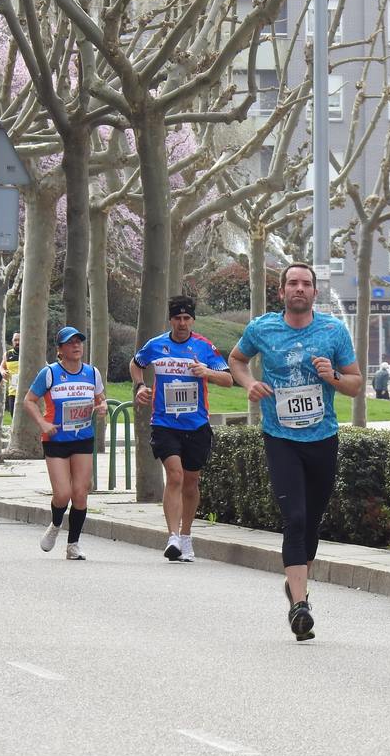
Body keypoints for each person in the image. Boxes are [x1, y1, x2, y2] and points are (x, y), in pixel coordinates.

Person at [229, 263, 364, 641]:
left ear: (315, 293)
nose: (299, 289)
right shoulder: (262, 328)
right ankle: (300, 605)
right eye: (292, 283)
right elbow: (236, 360)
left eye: (306, 284)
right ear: (282, 291)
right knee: (296, 517)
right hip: (280, 436)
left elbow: (355, 384)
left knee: (313, 522)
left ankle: (296, 583)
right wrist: (250, 382)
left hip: (322, 439)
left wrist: (332, 377)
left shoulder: (333, 331)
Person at [132, 296, 232, 562]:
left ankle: (186, 536)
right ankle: (172, 537)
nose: (182, 323)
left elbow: (228, 379)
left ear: (193, 320)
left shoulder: (204, 347)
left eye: (187, 318)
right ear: (171, 320)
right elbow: (136, 363)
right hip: (165, 423)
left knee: (190, 481)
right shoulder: (156, 345)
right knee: (174, 476)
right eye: (177, 318)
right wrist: (140, 386)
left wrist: (206, 372)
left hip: (196, 424)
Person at [24, 326, 107, 560]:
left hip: (82, 438)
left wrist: (102, 408)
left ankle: (73, 545)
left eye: (79, 341)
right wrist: (42, 423)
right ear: (60, 349)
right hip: (56, 439)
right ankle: (56, 523)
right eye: (70, 343)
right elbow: (29, 401)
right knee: (62, 494)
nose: (77, 346)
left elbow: (101, 400)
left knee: (81, 493)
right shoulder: (50, 373)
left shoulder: (92, 373)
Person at [2, 332, 20, 416]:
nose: (17, 342)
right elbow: (2, 367)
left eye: (19, 340)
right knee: (14, 418)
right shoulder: (7, 354)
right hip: (13, 392)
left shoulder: (30, 353)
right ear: (12, 341)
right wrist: (3, 372)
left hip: (28, 392)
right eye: (15, 340)